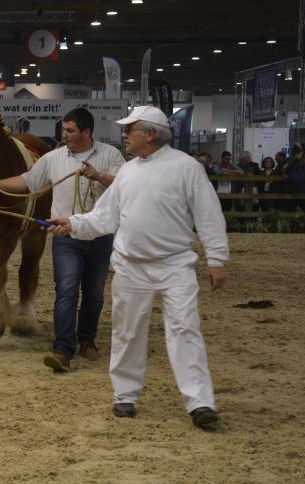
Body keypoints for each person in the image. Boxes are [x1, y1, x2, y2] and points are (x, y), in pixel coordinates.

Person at [45, 106, 228, 430]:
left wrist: (216, 258)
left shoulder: (187, 169)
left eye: (129, 130)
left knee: (186, 331)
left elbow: (208, 215)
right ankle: (125, 396)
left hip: (176, 266)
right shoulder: (128, 172)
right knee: (127, 332)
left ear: (150, 134)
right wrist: (71, 223)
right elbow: (104, 216)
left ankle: (200, 402)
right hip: (131, 267)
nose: (124, 136)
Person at [0, 108, 125, 372]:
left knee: (93, 294)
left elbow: (127, 185)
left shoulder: (111, 156)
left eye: (70, 130)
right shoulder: (53, 158)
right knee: (66, 290)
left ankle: (87, 340)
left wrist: (99, 175)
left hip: (100, 235)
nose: (63, 135)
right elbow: (28, 181)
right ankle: (62, 349)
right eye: (63, 130)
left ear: (86, 132)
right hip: (65, 235)